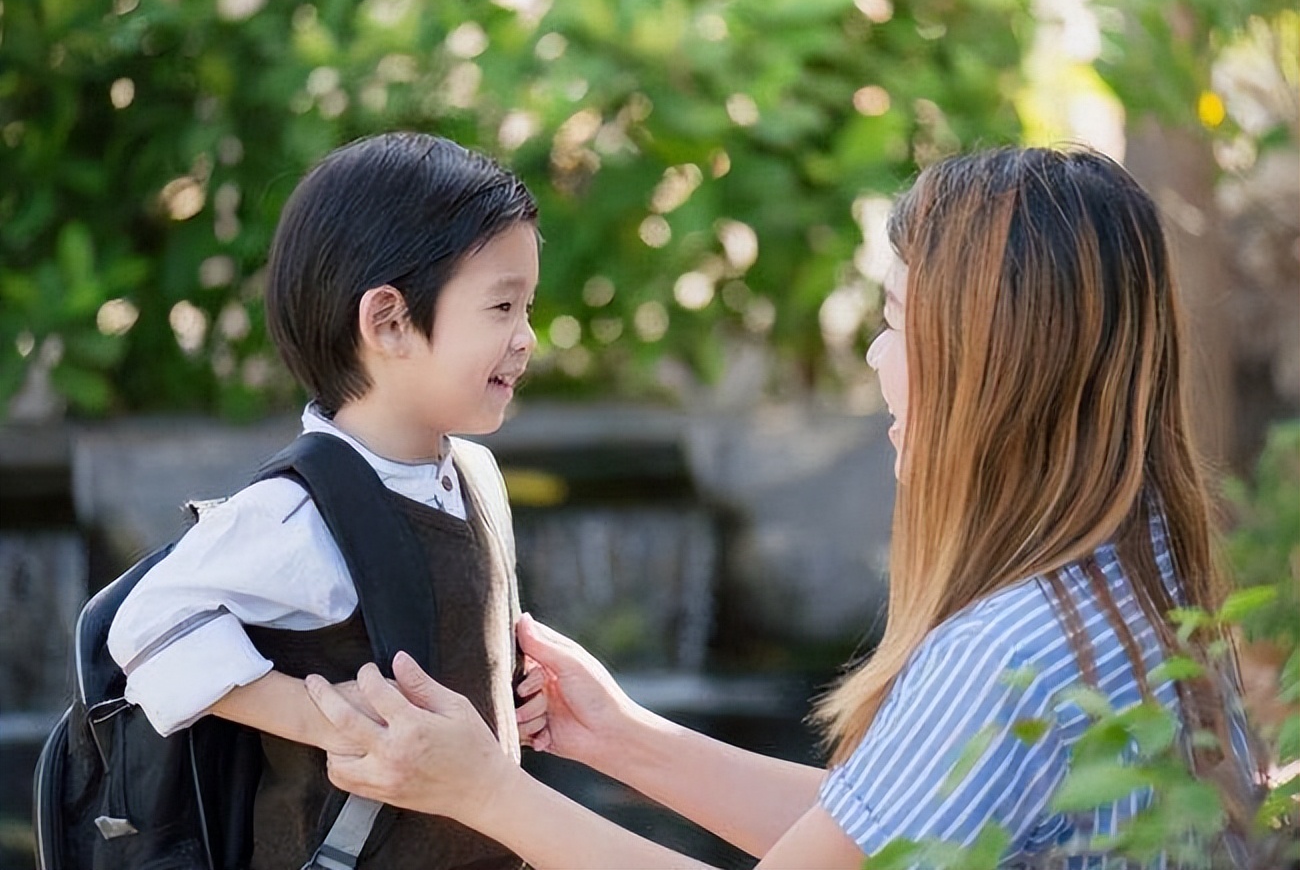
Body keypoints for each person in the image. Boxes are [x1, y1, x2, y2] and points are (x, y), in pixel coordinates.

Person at [305, 146, 1265, 868]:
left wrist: (484, 791)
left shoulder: (1005, 648)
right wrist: (623, 739)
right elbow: (881, 832)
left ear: (989, 366)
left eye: (893, 321)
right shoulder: (1140, 583)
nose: (876, 360)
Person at [107, 132, 548, 870]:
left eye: (528, 306)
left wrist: (508, 694)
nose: (527, 337)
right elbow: (149, 629)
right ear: (388, 322)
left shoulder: (473, 473)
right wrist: (333, 721)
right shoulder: (300, 514)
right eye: (502, 307)